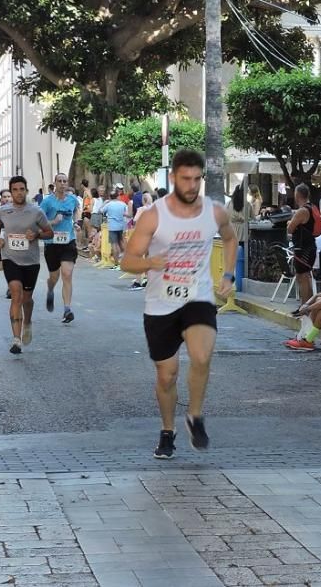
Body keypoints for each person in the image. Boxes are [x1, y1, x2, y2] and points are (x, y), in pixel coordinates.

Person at [121, 149, 237, 459]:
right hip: (160, 304)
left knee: (201, 355)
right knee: (166, 374)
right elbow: (127, 261)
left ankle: (195, 417)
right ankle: (167, 430)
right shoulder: (154, 215)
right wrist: (149, 263)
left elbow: (230, 237)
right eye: (185, 179)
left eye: (197, 179)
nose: (192, 185)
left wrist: (228, 273)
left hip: (197, 297)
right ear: (173, 178)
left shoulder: (214, 212)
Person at [0, 176, 52, 355]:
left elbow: (50, 232)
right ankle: (16, 340)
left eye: (22, 189)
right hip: (11, 259)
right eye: (15, 190)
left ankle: (28, 322)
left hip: (31, 261)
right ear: (11, 191)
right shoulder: (3, 211)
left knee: (26, 299)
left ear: (26, 190)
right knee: (16, 294)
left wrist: (37, 235)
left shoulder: (36, 211)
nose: (18, 193)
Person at [40, 173, 80, 324]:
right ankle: (50, 289)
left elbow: (77, 210)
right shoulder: (47, 202)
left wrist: (77, 222)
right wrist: (53, 222)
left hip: (68, 242)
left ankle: (67, 309)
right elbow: (40, 222)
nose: (62, 183)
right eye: (60, 181)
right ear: (55, 183)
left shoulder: (72, 199)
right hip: (51, 243)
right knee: (54, 277)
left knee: (67, 274)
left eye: (65, 181)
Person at [287, 183, 317, 316]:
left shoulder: (302, 211)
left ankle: (305, 308)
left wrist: (290, 223)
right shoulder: (312, 207)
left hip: (303, 248)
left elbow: (290, 228)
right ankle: (307, 306)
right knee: (304, 277)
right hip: (309, 246)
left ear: (297, 195)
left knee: (302, 277)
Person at [129, 192, 154, 290]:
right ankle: (148, 280)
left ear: (143, 200)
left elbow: (135, 220)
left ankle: (138, 282)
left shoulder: (141, 209)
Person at [101, 189, 129, 268]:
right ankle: (125, 259)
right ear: (117, 196)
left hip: (112, 226)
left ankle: (116, 263)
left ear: (110, 197)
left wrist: (105, 203)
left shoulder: (109, 204)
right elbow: (127, 213)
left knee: (114, 244)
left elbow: (101, 211)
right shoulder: (122, 204)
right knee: (122, 242)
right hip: (121, 225)